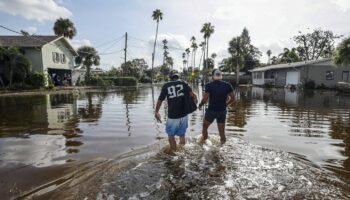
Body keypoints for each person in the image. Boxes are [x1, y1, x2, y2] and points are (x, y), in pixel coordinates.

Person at [155, 70, 198, 154]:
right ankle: (183, 151)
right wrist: (194, 103)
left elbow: (160, 100)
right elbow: (194, 96)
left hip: (173, 115)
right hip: (184, 115)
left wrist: (156, 112)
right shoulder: (184, 83)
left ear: (170, 78)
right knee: (182, 135)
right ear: (178, 77)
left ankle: (175, 154)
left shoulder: (166, 85)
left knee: (171, 136)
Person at [198, 69, 235, 144]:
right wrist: (226, 104)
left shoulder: (209, 85)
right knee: (222, 132)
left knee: (205, 127)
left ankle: (205, 143)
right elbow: (233, 98)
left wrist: (200, 105)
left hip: (211, 111)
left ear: (212, 76)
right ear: (221, 76)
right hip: (222, 111)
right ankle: (222, 146)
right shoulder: (227, 85)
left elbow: (205, 99)